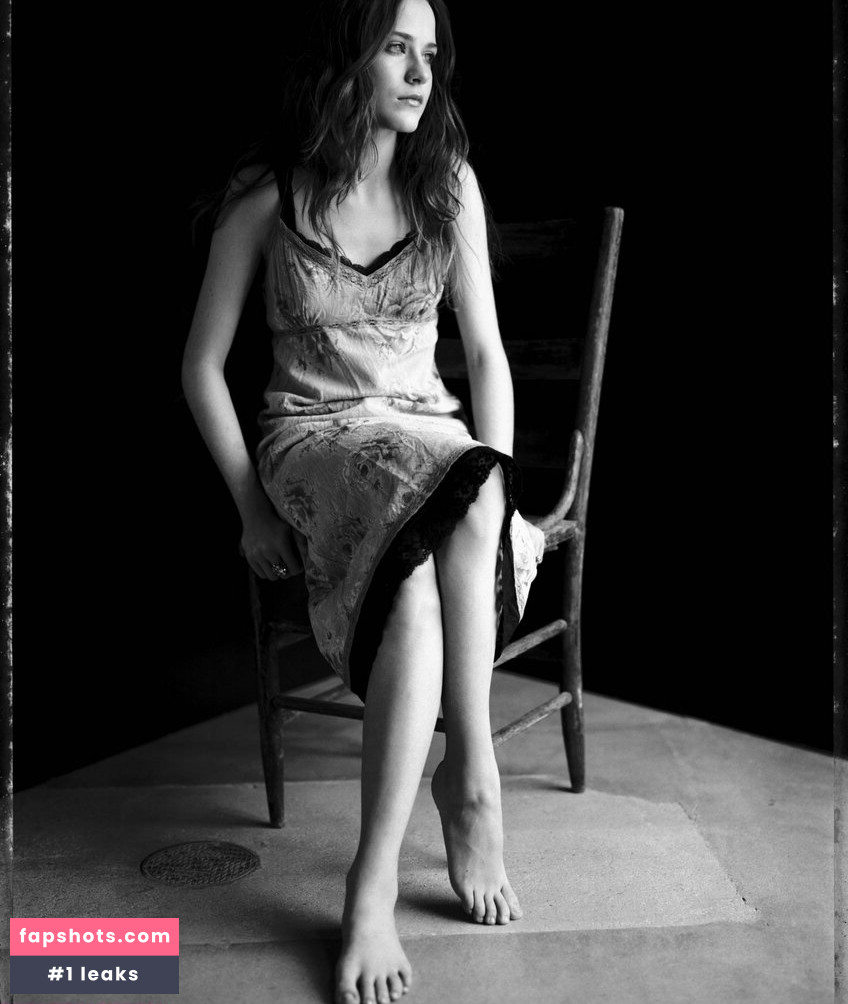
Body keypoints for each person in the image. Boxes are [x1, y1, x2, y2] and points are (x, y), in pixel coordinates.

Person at [182, 1, 545, 1001]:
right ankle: (462, 790)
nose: (421, 73)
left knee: (452, 517)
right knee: (449, 489)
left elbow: (485, 356)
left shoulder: (447, 185)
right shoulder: (270, 193)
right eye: (396, 48)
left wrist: (499, 483)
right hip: (313, 439)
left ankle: (393, 852)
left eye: (431, 54)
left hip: (427, 435)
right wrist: (250, 508)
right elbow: (201, 366)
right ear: (346, 61)